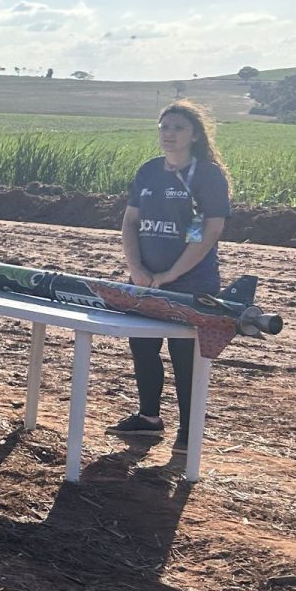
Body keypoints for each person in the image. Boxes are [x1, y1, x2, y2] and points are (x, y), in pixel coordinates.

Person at [108, 100, 230, 451]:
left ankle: (189, 432)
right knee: (143, 346)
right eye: (164, 127)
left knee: (184, 355)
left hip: (191, 283)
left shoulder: (207, 174)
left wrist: (173, 273)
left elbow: (210, 230)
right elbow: (130, 222)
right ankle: (148, 420)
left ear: (194, 135)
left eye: (178, 128)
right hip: (145, 282)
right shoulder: (148, 171)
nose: (169, 134)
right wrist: (137, 270)